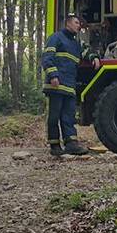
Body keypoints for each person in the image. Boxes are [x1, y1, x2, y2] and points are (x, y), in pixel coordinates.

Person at [41, 14, 101, 156]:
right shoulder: (56, 37)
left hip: (69, 86)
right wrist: (53, 75)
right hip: (56, 85)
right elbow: (47, 58)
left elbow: (86, 52)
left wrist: (95, 57)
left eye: (79, 23)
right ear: (68, 23)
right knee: (54, 116)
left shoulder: (75, 43)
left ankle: (71, 144)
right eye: (76, 23)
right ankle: (54, 145)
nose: (78, 25)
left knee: (68, 116)